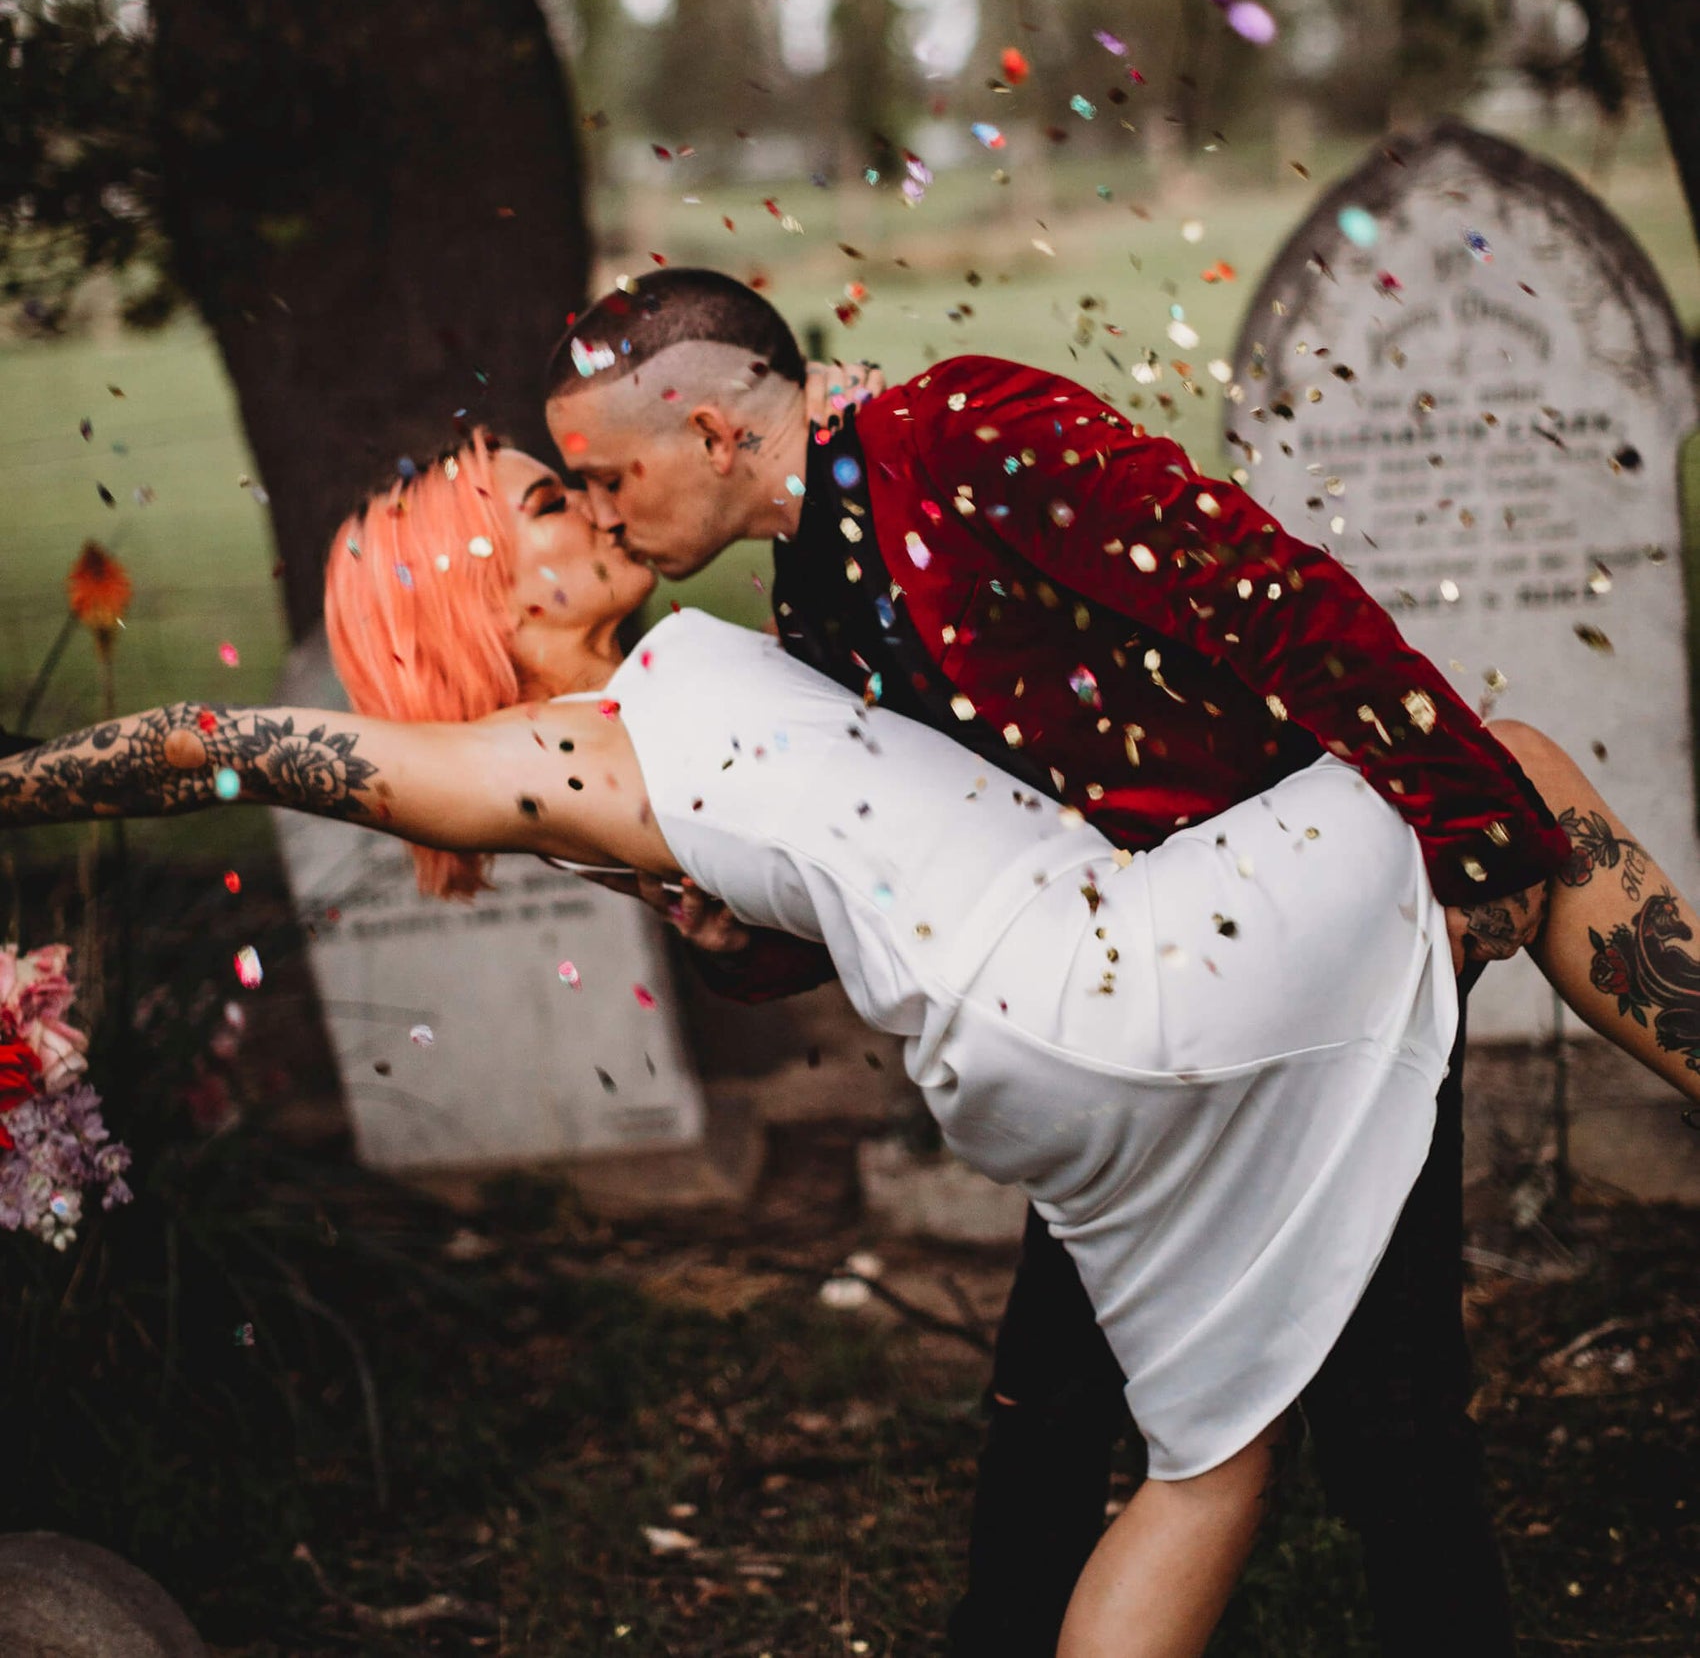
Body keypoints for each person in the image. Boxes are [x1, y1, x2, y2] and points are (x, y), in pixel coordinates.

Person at [3, 439, 1697, 1658]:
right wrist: (10, 788)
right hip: (1089, 980)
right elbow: (227, 741)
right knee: (1516, 769)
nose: (584, 505)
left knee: (1211, 1467)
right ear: (468, 586)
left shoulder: (655, 693)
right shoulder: (537, 758)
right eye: (541, 500)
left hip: (1050, 1021)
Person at [541, 269, 1561, 1657]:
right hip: (1119, 1018)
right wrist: (746, 949)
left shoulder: (962, 434)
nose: (599, 513)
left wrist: (1473, 847)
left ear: (715, 436)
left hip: (1296, 950)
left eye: (605, 476)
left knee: (1390, 1407)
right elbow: (911, 868)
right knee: (1048, 1399)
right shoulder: (820, 600)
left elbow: (1264, 589)